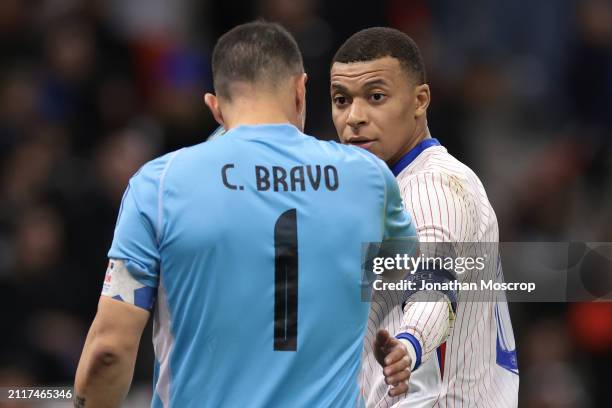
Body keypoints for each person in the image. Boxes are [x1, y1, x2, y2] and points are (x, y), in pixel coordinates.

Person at [73, 21, 418, 407]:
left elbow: (109, 351)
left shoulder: (158, 185)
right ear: (301, 90)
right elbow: (398, 267)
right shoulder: (368, 177)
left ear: (215, 108)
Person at [330, 27, 519, 407]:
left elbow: (434, 285)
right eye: (341, 99)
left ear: (420, 100)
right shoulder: (385, 189)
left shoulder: (434, 187)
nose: (354, 117)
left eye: (376, 97)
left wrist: (410, 343)